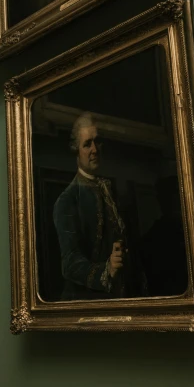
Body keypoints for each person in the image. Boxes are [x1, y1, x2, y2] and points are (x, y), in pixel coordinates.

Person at [53, 113, 139, 301]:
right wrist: (108, 269)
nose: (94, 149)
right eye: (87, 144)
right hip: (88, 300)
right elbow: (70, 263)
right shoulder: (67, 200)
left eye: (97, 142)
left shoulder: (112, 190)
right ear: (76, 150)